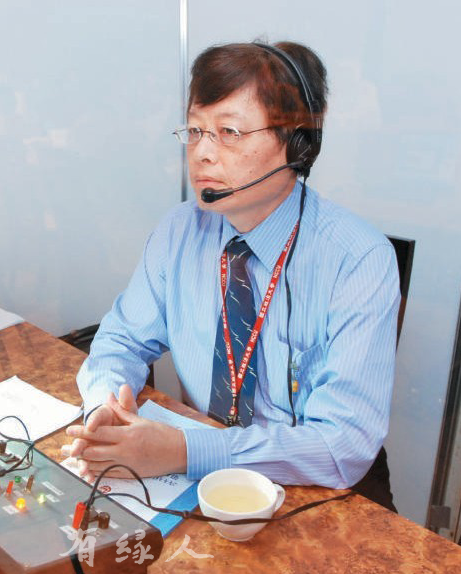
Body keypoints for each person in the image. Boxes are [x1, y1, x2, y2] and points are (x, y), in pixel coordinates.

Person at [65, 41, 400, 510]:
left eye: (229, 132)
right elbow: (121, 340)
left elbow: (342, 446)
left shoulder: (358, 259)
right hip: (200, 484)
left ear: (297, 144)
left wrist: (183, 450)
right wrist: (106, 408)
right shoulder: (179, 231)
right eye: (195, 130)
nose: (202, 153)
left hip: (319, 494)